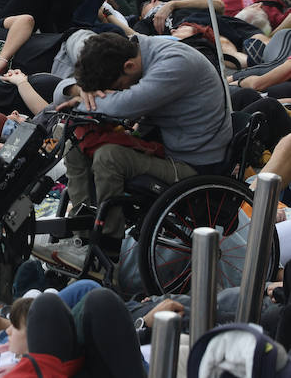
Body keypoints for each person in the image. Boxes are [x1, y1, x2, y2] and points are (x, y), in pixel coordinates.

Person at [61, 33, 234, 254]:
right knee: (75, 142)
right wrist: (79, 89)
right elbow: (75, 37)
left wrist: (83, 99)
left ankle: (107, 247)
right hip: (162, 143)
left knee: (109, 157)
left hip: (193, 165)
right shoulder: (134, 50)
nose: (117, 91)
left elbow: (122, 104)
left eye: (117, 87)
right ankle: (83, 235)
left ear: (130, 66)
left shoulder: (174, 64)